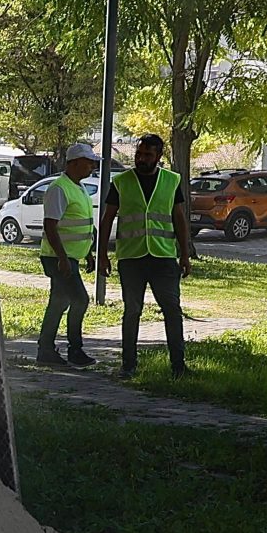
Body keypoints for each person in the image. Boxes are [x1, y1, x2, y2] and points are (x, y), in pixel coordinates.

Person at [97, 132, 190, 377]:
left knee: (172, 310)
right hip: (131, 258)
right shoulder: (121, 181)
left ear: (159, 156)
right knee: (132, 311)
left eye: (147, 154)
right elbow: (107, 219)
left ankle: (178, 366)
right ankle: (128, 365)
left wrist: (185, 253)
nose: (141, 158)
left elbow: (179, 218)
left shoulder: (171, 180)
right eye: (138, 153)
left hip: (163, 257)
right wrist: (102, 254)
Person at [35, 141, 100, 369]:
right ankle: (74, 349)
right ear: (74, 163)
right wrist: (62, 258)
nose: (92, 166)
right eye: (88, 162)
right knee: (80, 299)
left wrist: (88, 253)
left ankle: (46, 349)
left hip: (70, 257)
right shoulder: (59, 189)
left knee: (60, 302)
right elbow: (50, 226)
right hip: (58, 258)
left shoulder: (78, 187)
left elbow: (81, 224)